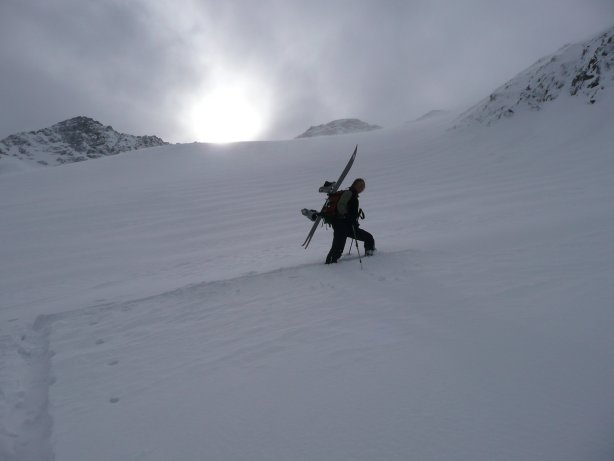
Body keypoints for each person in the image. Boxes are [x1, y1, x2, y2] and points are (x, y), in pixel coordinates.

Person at [325, 178, 375, 264]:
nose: (362, 187)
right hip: (341, 224)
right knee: (338, 246)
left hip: (347, 225)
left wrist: (351, 218)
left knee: (368, 238)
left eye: (363, 186)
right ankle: (330, 264)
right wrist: (347, 216)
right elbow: (340, 206)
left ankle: (370, 256)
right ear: (354, 185)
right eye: (360, 185)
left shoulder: (353, 194)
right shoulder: (349, 193)